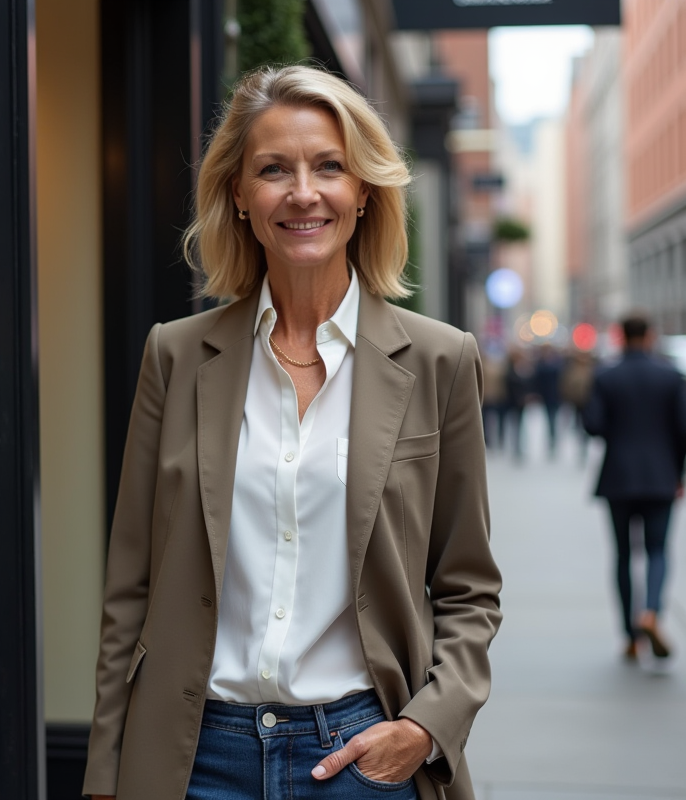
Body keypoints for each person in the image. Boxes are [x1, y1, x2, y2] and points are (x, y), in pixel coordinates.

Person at [83, 65, 502, 800]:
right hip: (195, 759)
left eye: (329, 167)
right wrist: (107, 771)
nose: (303, 193)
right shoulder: (175, 356)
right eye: (273, 169)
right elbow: (130, 591)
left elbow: (468, 587)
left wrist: (425, 726)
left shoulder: (440, 360)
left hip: (361, 758)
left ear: (364, 191)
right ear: (240, 197)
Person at [583, 315, 686, 660]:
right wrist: (679, 475)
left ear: (620, 337)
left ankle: (630, 635)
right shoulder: (672, 377)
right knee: (657, 550)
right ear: (651, 335)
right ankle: (652, 612)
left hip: (618, 477)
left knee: (624, 555)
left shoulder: (605, 375)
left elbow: (593, 425)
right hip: (661, 477)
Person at [532, 344, 563, 457]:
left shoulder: (557, 363)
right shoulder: (540, 364)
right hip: (546, 397)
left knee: (553, 418)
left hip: (555, 397)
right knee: (550, 419)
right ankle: (551, 438)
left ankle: (553, 438)